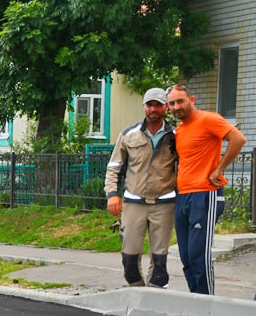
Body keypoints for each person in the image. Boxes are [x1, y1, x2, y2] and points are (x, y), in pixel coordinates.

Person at [166, 84, 247, 295]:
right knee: (185, 255)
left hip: (205, 194)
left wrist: (219, 168)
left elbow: (238, 139)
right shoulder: (180, 130)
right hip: (183, 196)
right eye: (172, 103)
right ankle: (197, 300)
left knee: (197, 254)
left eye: (180, 101)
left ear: (191, 100)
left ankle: (207, 304)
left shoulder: (208, 119)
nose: (176, 107)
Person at [104, 88, 178, 288]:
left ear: (165, 107)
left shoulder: (175, 136)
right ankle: (135, 291)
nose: (153, 109)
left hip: (164, 204)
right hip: (133, 202)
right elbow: (113, 168)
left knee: (159, 258)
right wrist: (112, 195)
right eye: (149, 105)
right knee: (129, 258)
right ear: (144, 106)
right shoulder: (128, 134)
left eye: (158, 105)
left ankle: (155, 294)